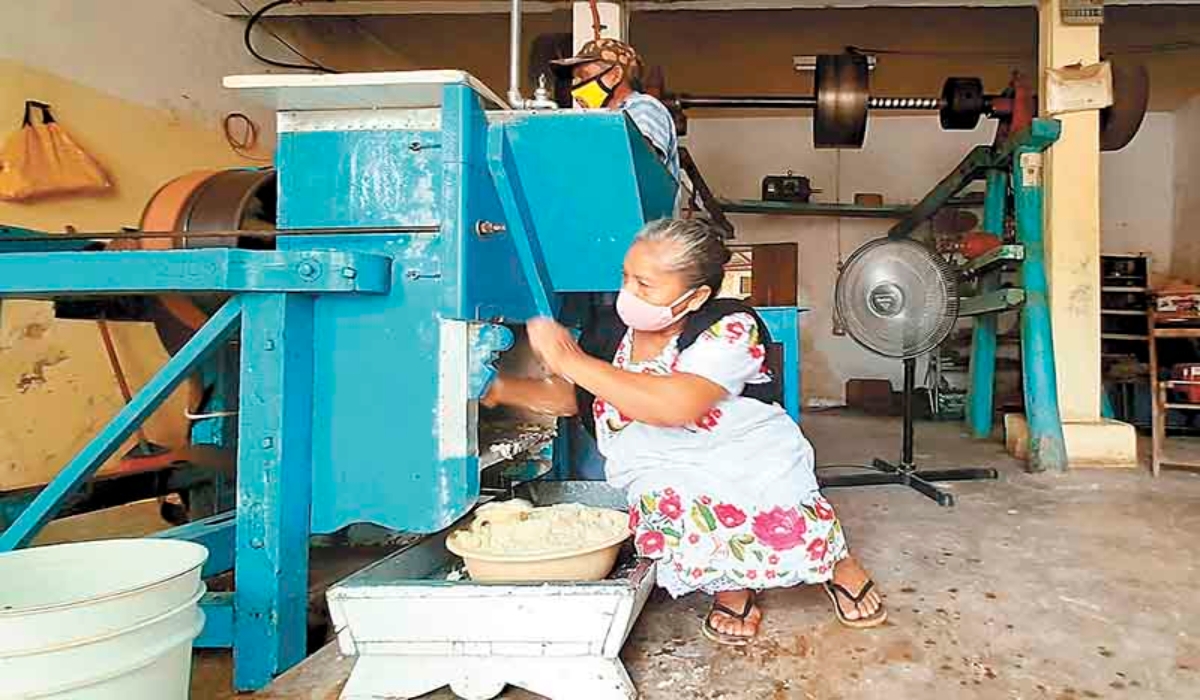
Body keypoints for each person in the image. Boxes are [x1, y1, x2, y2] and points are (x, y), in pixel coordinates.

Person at [483, 218, 886, 645]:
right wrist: (500, 389)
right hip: (661, 460)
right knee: (681, 509)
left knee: (779, 506)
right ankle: (732, 585)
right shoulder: (613, 330)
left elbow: (676, 404)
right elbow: (580, 397)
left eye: (646, 285)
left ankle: (836, 565)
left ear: (695, 297)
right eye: (626, 278)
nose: (629, 294)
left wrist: (569, 358)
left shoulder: (731, 326)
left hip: (742, 450)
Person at [551, 38, 680, 185]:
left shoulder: (644, 107)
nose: (576, 85)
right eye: (575, 79)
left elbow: (642, 161)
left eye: (584, 75)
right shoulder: (600, 119)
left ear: (615, 75)